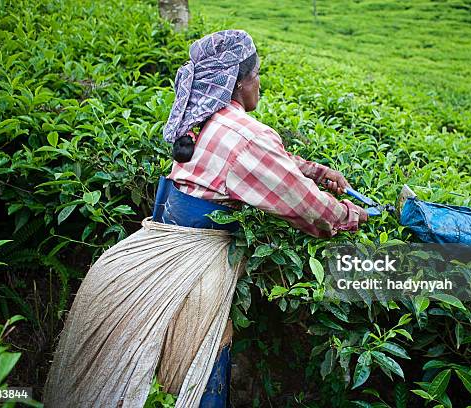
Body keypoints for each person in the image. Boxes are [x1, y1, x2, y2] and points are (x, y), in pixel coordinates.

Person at [43, 30, 367, 408]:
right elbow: (309, 210)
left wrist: (314, 170)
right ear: (240, 81)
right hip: (197, 261)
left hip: (158, 240)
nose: (260, 82)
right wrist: (349, 215)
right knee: (203, 349)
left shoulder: (204, 117)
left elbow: (262, 163)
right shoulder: (247, 133)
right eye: (257, 73)